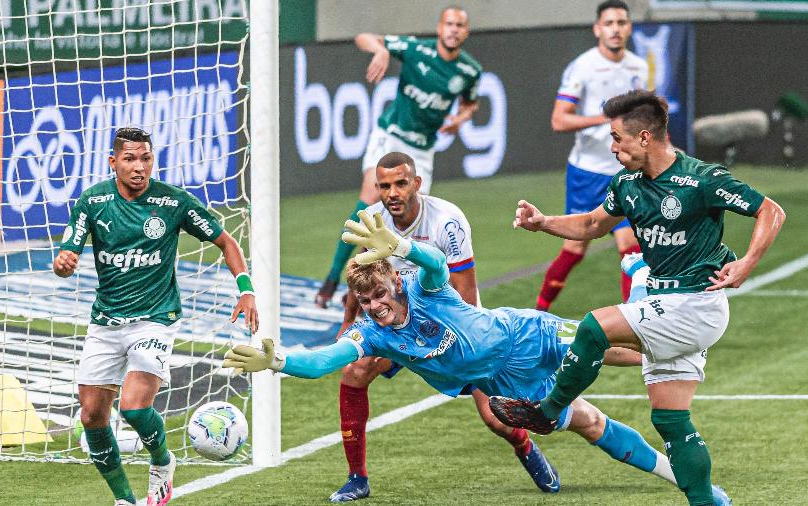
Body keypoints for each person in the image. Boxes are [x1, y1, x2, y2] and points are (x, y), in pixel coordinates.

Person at [224, 210, 697, 499]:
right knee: (589, 424)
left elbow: (433, 261)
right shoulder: (374, 334)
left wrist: (404, 245)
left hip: (523, 336)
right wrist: (280, 361)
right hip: (500, 384)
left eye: (380, 295)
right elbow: (327, 361)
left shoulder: (421, 286)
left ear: (392, 280)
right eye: (366, 302)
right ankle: (675, 473)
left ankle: (656, 312)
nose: (376, 307)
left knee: (618, 348)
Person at [493, 90, 785, 506]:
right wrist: (543, 223)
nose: (612, 148)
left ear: (645, 137)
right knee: (669, 419)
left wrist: (747, 263)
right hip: (669, 303)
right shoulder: (627, 185)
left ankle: (546, 411)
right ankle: (709, 502)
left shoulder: (701, 178)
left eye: (617, 138)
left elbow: (770, 210)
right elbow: (594, 223)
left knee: (594, 327)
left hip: (695, 303)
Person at [329, 152, 558, 502]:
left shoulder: (446, 221)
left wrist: (429, 342)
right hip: (396, 324)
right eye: (385, 185)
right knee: (355, 371)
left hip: (457, 333)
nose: (392, 192)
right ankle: (356, 478)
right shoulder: (374, 220)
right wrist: (349, 322)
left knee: (496, 419)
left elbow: (464, 297)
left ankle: (524, 446)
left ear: (417, 183)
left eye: (401, 183)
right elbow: (360, 277)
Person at [53, 127, 259, 506]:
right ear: (113, 162)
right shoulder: (92, 202)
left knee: (133, 406)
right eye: (129, 159)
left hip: (155, 319)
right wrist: (63, 264)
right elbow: (67, 256)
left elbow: (226, 241)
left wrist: (245, 289)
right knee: (91, 417)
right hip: (106, 321)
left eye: (145, 158)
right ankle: (124, 499)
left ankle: (163, 462)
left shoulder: (173, 202)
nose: (138, 167)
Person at [314, 5, 482, 308]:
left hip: (422, 149)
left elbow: (470, 103)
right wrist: (380, 51)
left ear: (466, 31)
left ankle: (388, 287)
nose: (454, 29)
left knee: (411, 219)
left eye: (460, 25)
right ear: (440, 27)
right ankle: (332, 277)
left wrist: (461, 118)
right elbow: (364, 37)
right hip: (391, 134)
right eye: (449, 24)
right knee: (370, 199)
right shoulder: (417, 49)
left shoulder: (469, 70)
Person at [535, 0, 648, 312]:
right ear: (597, 29)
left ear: (629, 28)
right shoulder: (583, 66)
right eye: (609, 23)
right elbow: (559, 120)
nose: (615, 29)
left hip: (624, 171)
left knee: (630, 247)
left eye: (621, 23)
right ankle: (538, 311)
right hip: (587, 172)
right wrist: (604, 119)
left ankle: (634, 318)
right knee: (574, 248)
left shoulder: (639, 67)